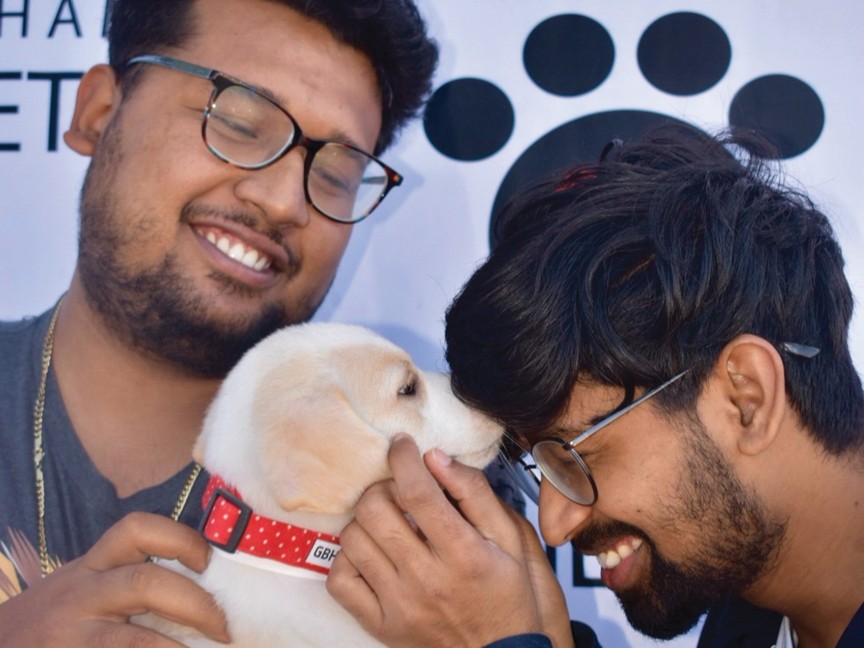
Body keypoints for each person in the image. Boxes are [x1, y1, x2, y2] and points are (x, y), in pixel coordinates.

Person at [0, 0, 437, 644]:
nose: (284, 201)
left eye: (337, 173)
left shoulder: (415, 505)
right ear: (98, 113)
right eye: (236, 122)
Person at [328, 124, 864, 648]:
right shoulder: (748, 612)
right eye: (541, 468)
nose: (554, 526)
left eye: (575, 457)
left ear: (745, 399)